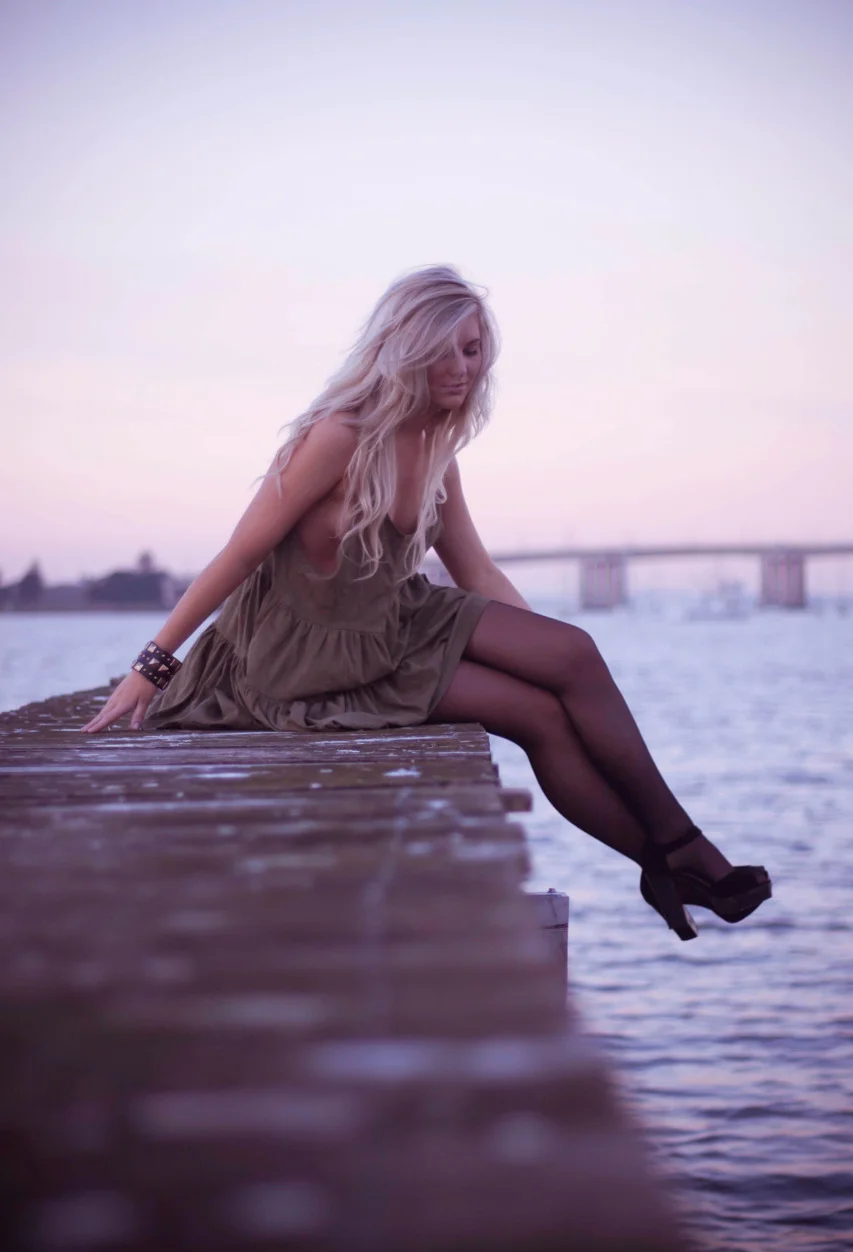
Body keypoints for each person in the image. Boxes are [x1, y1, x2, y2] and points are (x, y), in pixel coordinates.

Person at [82, 265, 771, 939]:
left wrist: (537, 653)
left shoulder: (439, 446)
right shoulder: (337, 436)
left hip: (395, 621)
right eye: (441, 351)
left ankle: (669, 863)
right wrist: (153, 666)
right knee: (543, 700)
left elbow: (476, 573)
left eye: (471, 350)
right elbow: (237, 555)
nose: (461, 368)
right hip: (305, 656)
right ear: (400, 350)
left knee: (561, 669)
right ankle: (680, 855)